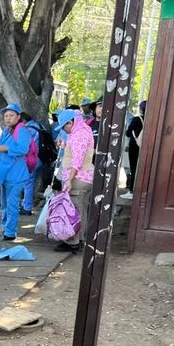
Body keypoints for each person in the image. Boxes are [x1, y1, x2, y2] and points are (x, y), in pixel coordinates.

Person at [0, 103, 32, 241]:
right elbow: (2, 146)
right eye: (6, 116)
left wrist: (5, 148)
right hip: (6, 174)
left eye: (11, 115)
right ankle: (4, 227)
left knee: (12, 204)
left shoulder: (22, 130)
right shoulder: (7, 130)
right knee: (5, 204)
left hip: (16, 174)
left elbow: (23, 149)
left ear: (18, 116)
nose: (8, 118)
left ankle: (10, 232)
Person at [55, 108, 95, 253]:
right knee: (81, 209)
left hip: (79, 178)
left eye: (64, 126)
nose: (64, 130)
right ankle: (79, 239)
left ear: (71, 123)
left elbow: (77, 160)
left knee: (74, 210)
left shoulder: (79, 134)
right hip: (84, 177)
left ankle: (72, 241)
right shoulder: (84, 130)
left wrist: (69, 180)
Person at [20, 112, 43, 216]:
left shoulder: (28, 129)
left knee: (28, 183)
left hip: (32, 159)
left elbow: (24, 145)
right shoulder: (39, 126)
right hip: (42, 159)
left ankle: (27, 207)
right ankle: (26, 204)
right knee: (32, 182)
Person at [124, 100, 146, 200]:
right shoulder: (152, 120)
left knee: (133, 168)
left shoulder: (137, 119)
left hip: (135, 146)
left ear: (141, 109)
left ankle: (132, 190)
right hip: (145, 147)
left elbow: (128, 133)